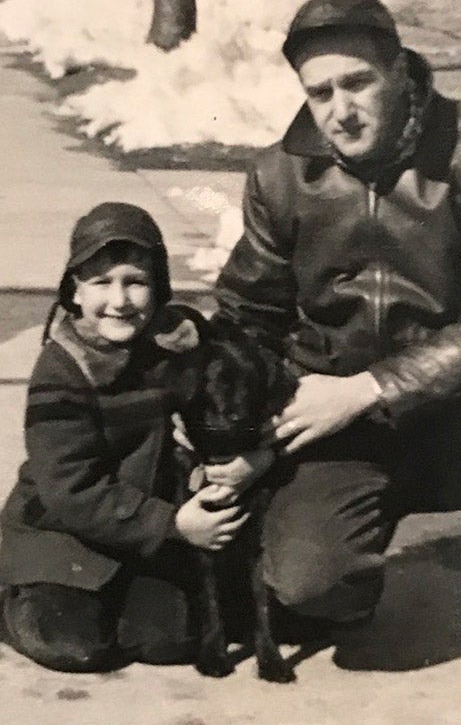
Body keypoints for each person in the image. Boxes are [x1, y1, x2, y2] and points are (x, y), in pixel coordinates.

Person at [211, 0, 461, 684]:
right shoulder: (279, 176)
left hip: (460, 416)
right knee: (310, 587)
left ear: (398, 70)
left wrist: (372, 387)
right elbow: (247, 314)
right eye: (321, 92)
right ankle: (348, 556)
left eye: (357, 82)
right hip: (341, 434)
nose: (340, 109)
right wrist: (241, 427)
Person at [0, 202, 271, 672]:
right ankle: (11, 596)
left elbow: (238, 385)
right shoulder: (63, 369)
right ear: (75, 292)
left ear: (160, 288)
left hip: (144, 527)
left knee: (171, 642)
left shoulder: (178, 342)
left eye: (136, 281)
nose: (120, 300)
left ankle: (124, 598)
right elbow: (71, 490)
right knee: (74, 644)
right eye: (101, 282)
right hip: (67, 528)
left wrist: (251, 453)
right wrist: (173, 526)